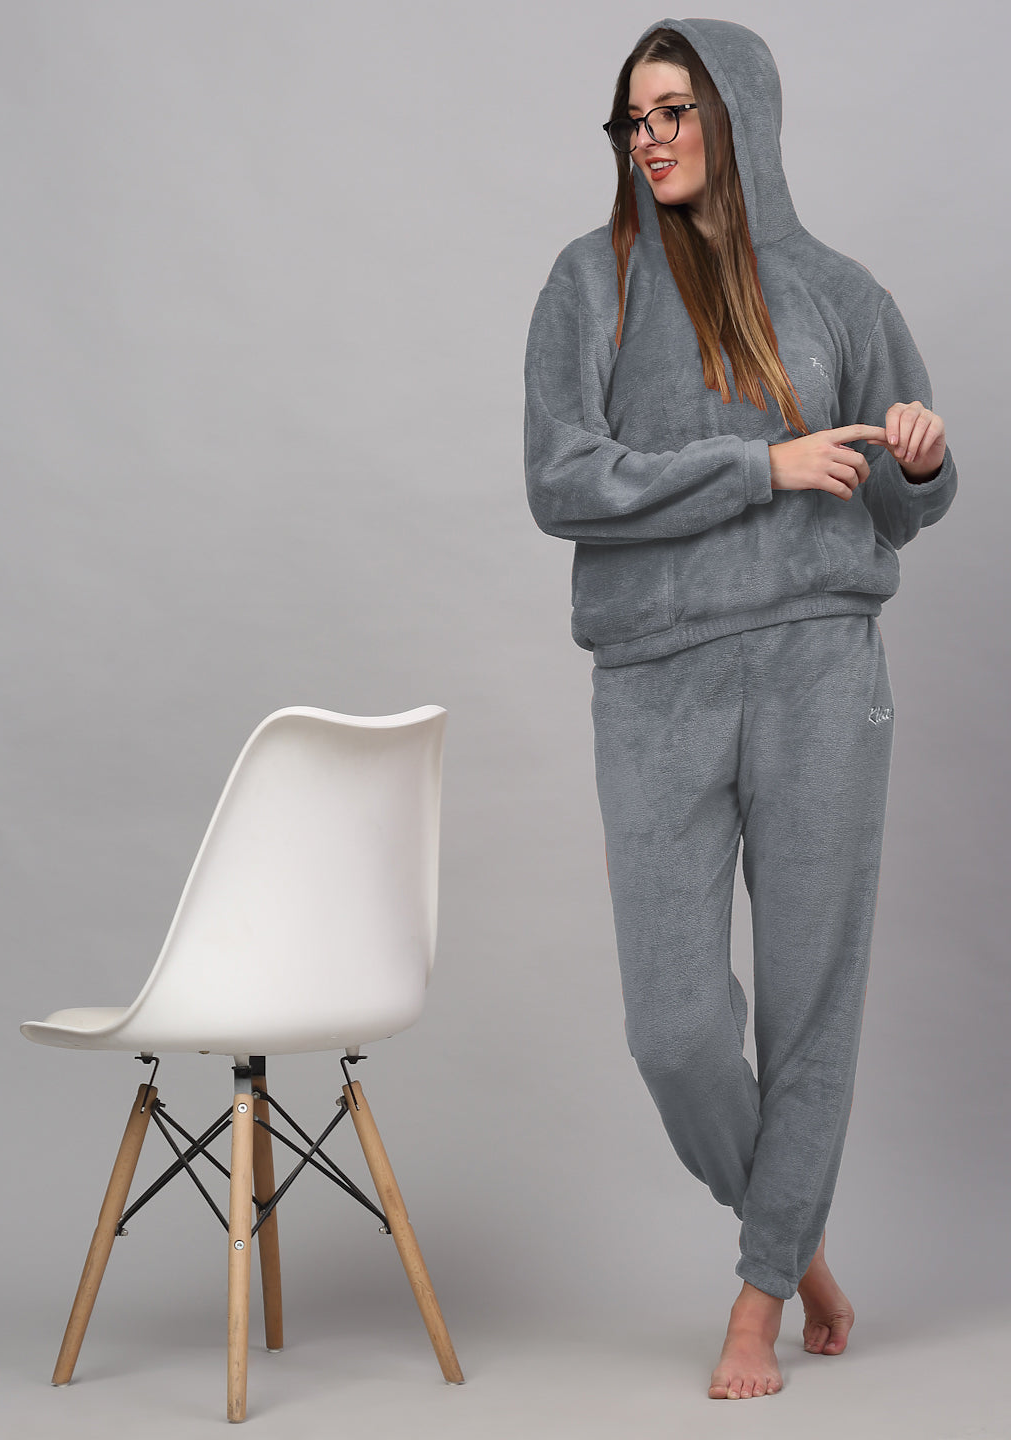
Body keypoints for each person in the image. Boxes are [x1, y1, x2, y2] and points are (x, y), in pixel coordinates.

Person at [522, 17, 958, 1402]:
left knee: (814, 992)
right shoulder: (588, 283)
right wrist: (756, 467)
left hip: (823, 667)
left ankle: (760, 1299)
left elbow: (899, 501)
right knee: (678, 1031)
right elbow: (560, 481)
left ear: (738, 115)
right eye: (631, 118)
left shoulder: (838, 293)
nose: (647, 138)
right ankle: (798, 1240)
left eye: (673, 111)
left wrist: (918, 459)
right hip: (656, 678)